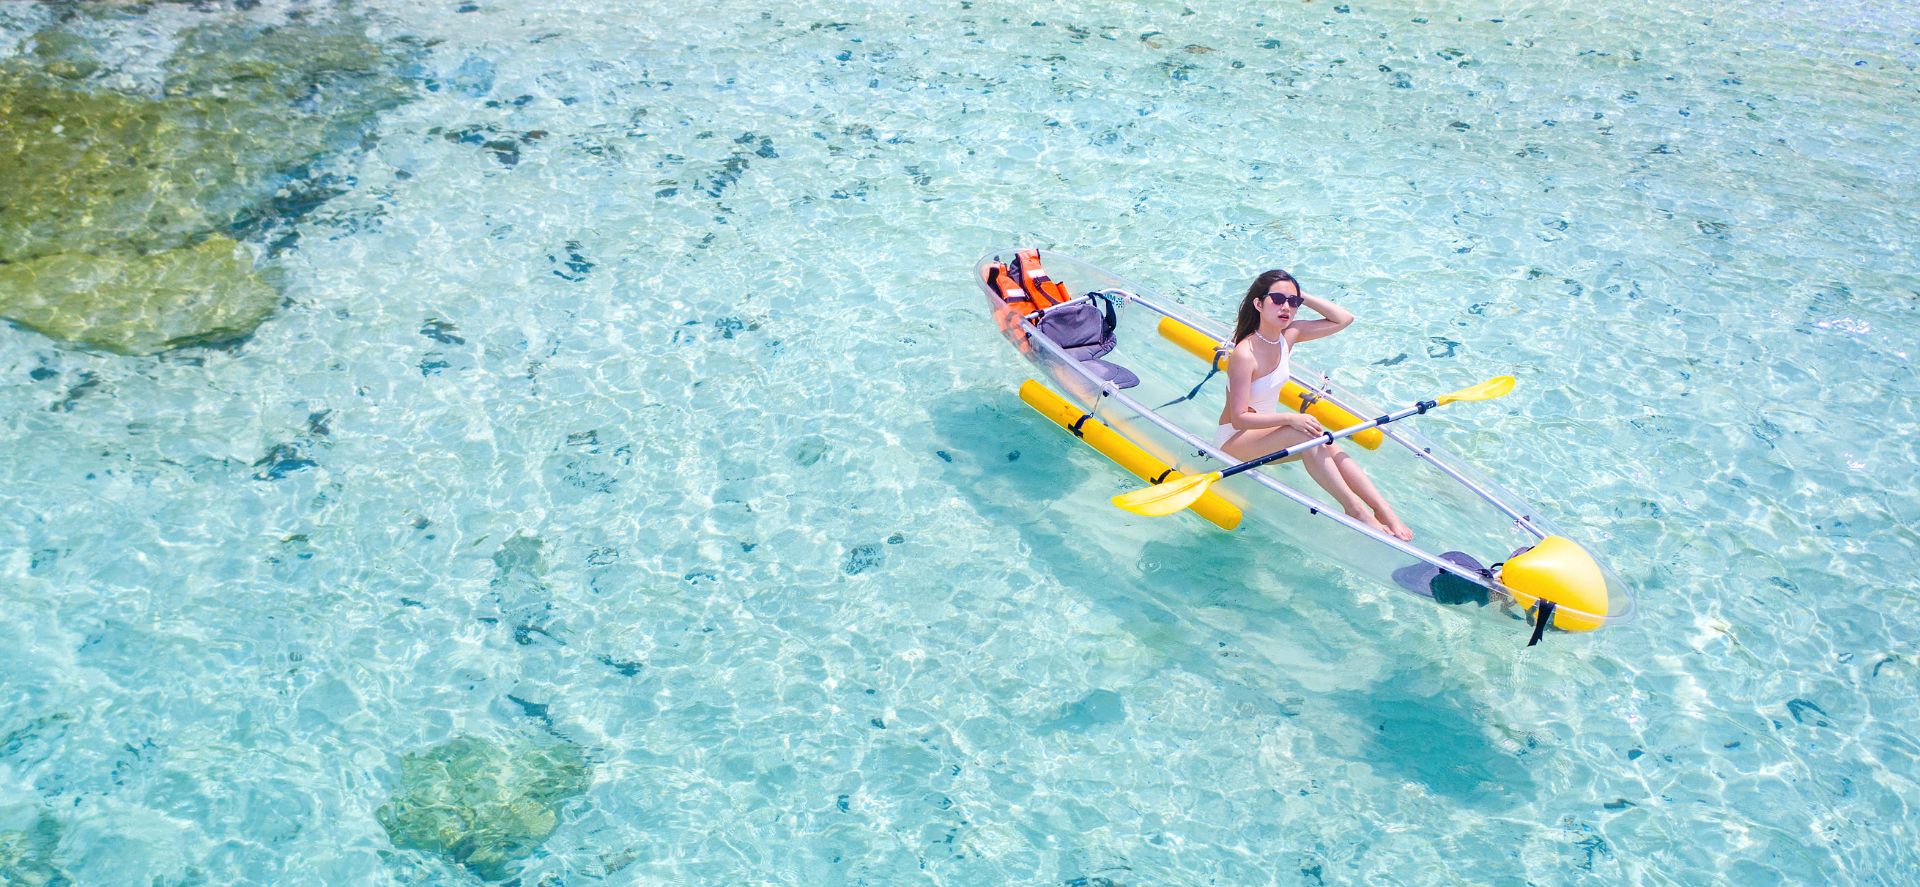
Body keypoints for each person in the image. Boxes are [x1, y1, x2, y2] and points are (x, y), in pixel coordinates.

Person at [1212, 269, 1413, 541]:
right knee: (1304, 434)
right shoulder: (1245, 354)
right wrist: (1289, 418)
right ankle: (1356, 510)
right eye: (1277, 299)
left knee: (1328, 441)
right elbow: (1238, 418)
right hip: (1234, 440)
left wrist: (1300, 295)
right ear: (1258, 304)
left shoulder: (1288, 336)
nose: (1286, 307)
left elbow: (1344, 319)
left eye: (1292, 302)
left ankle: (1382, 509)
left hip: (1265, 434)